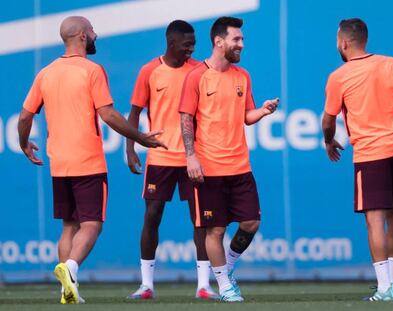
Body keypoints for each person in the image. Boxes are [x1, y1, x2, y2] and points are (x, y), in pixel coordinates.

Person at [17, 16, 166, 304]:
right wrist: (139, 137)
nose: (96, 35)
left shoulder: (46, 73)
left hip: (59, 162)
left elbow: (25, 116)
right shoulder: (92, 70)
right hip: (87, 161)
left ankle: (67, 291)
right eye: (93, 31)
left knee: (69, 226)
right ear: (83, 36)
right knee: (92, 225)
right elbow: (108, 114)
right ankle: (70, 270)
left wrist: (24, 144)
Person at [179, 16, 278, 302]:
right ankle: (224, 285)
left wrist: (263, 111)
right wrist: (191, 157)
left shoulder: (242, 76)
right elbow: (185, 118)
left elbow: (246, 116)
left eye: (242, 39)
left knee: (251, 223)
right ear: (218, 42)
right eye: (237, 39)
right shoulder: (196, 75)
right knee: (216, 229)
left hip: (240, 166)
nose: (241, 44)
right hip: (208, 167)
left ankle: (228, 266)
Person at [322, 18, 393, 301]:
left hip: (370, 156)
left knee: (374, 221)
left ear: (344, 43)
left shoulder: (339, 76)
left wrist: (328, 140)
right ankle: (392, 284)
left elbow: (328, 120)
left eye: (338, 39)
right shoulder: (391, 64)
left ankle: (385, 288)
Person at [126, 20, 218, 300]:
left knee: (201, 221)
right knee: (152, 216)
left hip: (194, 159)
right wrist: (130, 148)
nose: (192, 48)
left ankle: (203, 285)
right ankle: (146, 285)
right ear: (171, 43)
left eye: (194, 43)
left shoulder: (201, 71)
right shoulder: (149, 71)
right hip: (160, 156)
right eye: (187, 44)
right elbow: (134, 113)